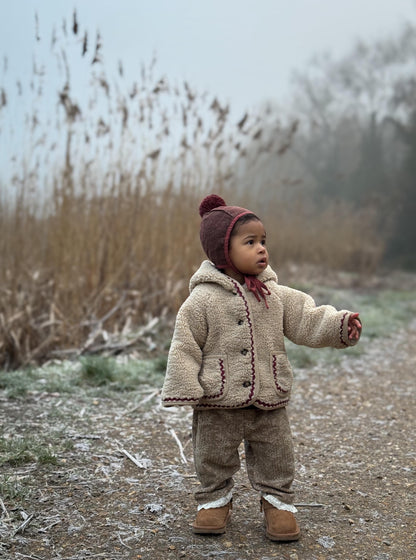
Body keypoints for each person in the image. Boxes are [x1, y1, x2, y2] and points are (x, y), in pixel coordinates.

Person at [161, 194, 362, 542]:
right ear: (222, 251)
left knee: (277, 453)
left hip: (269, 394)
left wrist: (339, 326)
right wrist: (183, 386)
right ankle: (214, 500)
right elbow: (184, 344)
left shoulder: (275, 294)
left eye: (263, 241)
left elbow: (307, 318)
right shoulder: (202, 300)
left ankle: (277, 503)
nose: (261, 249)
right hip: (217, 399)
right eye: (250, 242)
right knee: (212, 454)